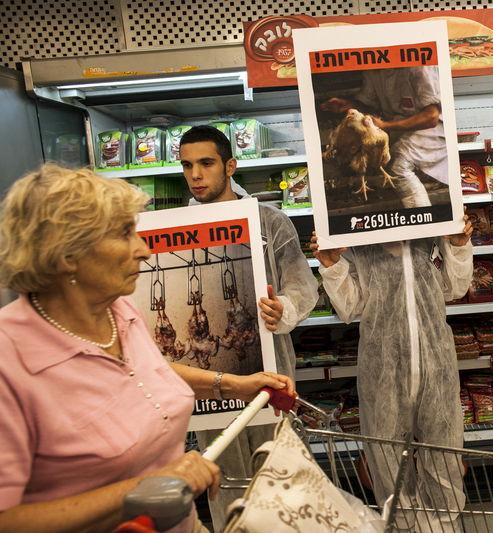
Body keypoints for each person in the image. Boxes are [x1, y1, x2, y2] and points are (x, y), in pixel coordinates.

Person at [0, 164, 295, 533]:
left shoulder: (116, 309)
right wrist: (143, 489)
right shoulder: (9, 360)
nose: (143, 250)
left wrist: (233, 384)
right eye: (125, 234)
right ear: (67, 254)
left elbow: (141, 374)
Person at [179, 125, 318, 529]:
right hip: (210, 378)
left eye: (206, 163)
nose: (195, 175)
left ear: (230, 165)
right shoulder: (175, 228)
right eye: (187, 165)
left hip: (269, 371)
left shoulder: (269, 222)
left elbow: (300, 284)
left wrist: (284, 309)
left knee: (280, 472)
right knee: (225, 478)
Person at [312, 216, 473, 533]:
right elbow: (350, 306)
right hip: (381, 368)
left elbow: (455, 287)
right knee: (386, 458)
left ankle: (443, 526)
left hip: (436, 364)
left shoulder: (428, 228)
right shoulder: (358, 239)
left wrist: (457, 244)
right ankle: (400, 525)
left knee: (445, 455)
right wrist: (331, 263)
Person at [320, 66, 447, 208]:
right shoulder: (373, 68)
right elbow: (369, 105)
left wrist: (386, 125)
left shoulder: (420, 67)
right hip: (395, 129)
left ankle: (423, 216)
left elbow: (431, 117)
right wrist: (349, 105)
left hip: (431, 131)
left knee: (398, 165)